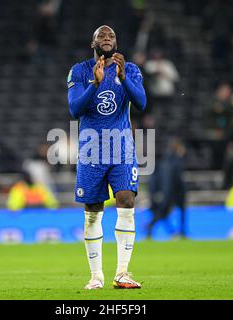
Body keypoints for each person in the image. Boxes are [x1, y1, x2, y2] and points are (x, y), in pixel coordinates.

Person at [67, 25, 146, 289]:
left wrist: (123, 79)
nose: (107, 39)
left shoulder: (130, 69)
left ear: (116, 42)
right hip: (91, 152)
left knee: (126, 201)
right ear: (93, 42)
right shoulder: (79, 71)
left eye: (111, 36)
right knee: (93, 211)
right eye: (102, 36)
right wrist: (95, 83)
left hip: (122, 149)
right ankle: (96, 276)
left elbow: (142, 103)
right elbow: (75, 109)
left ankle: (122, 272)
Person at [146, 138, 186, 239]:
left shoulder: (164, 161)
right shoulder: (176, 162)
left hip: (166, 192)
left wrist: (156, 192)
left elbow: (156, 178)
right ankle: (180, 232)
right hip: (173, 193)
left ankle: (178, 232)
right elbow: (175, 180)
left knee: (163, 213)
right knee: (165, 213)